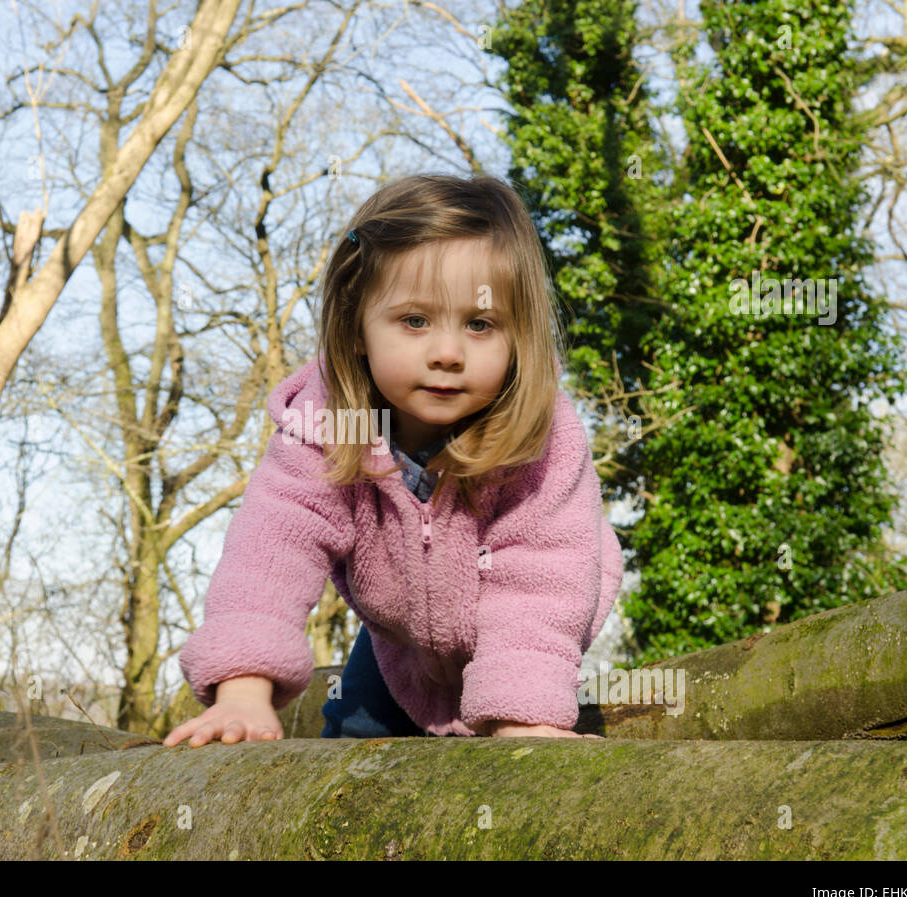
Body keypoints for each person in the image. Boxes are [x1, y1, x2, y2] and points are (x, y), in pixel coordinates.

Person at [163, 173, 623, 747]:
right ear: (357, 325)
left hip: (524, 625)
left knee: (517, 732)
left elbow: (542, 579)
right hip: (400, 644)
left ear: (519, 335)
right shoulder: (328, 426)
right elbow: (274, 544)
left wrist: (524, 717)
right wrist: (242, 690)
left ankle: (517, 708)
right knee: (353, 744)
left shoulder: (544, 441)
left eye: (480, 324)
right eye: (415, 321)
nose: (448, 354)